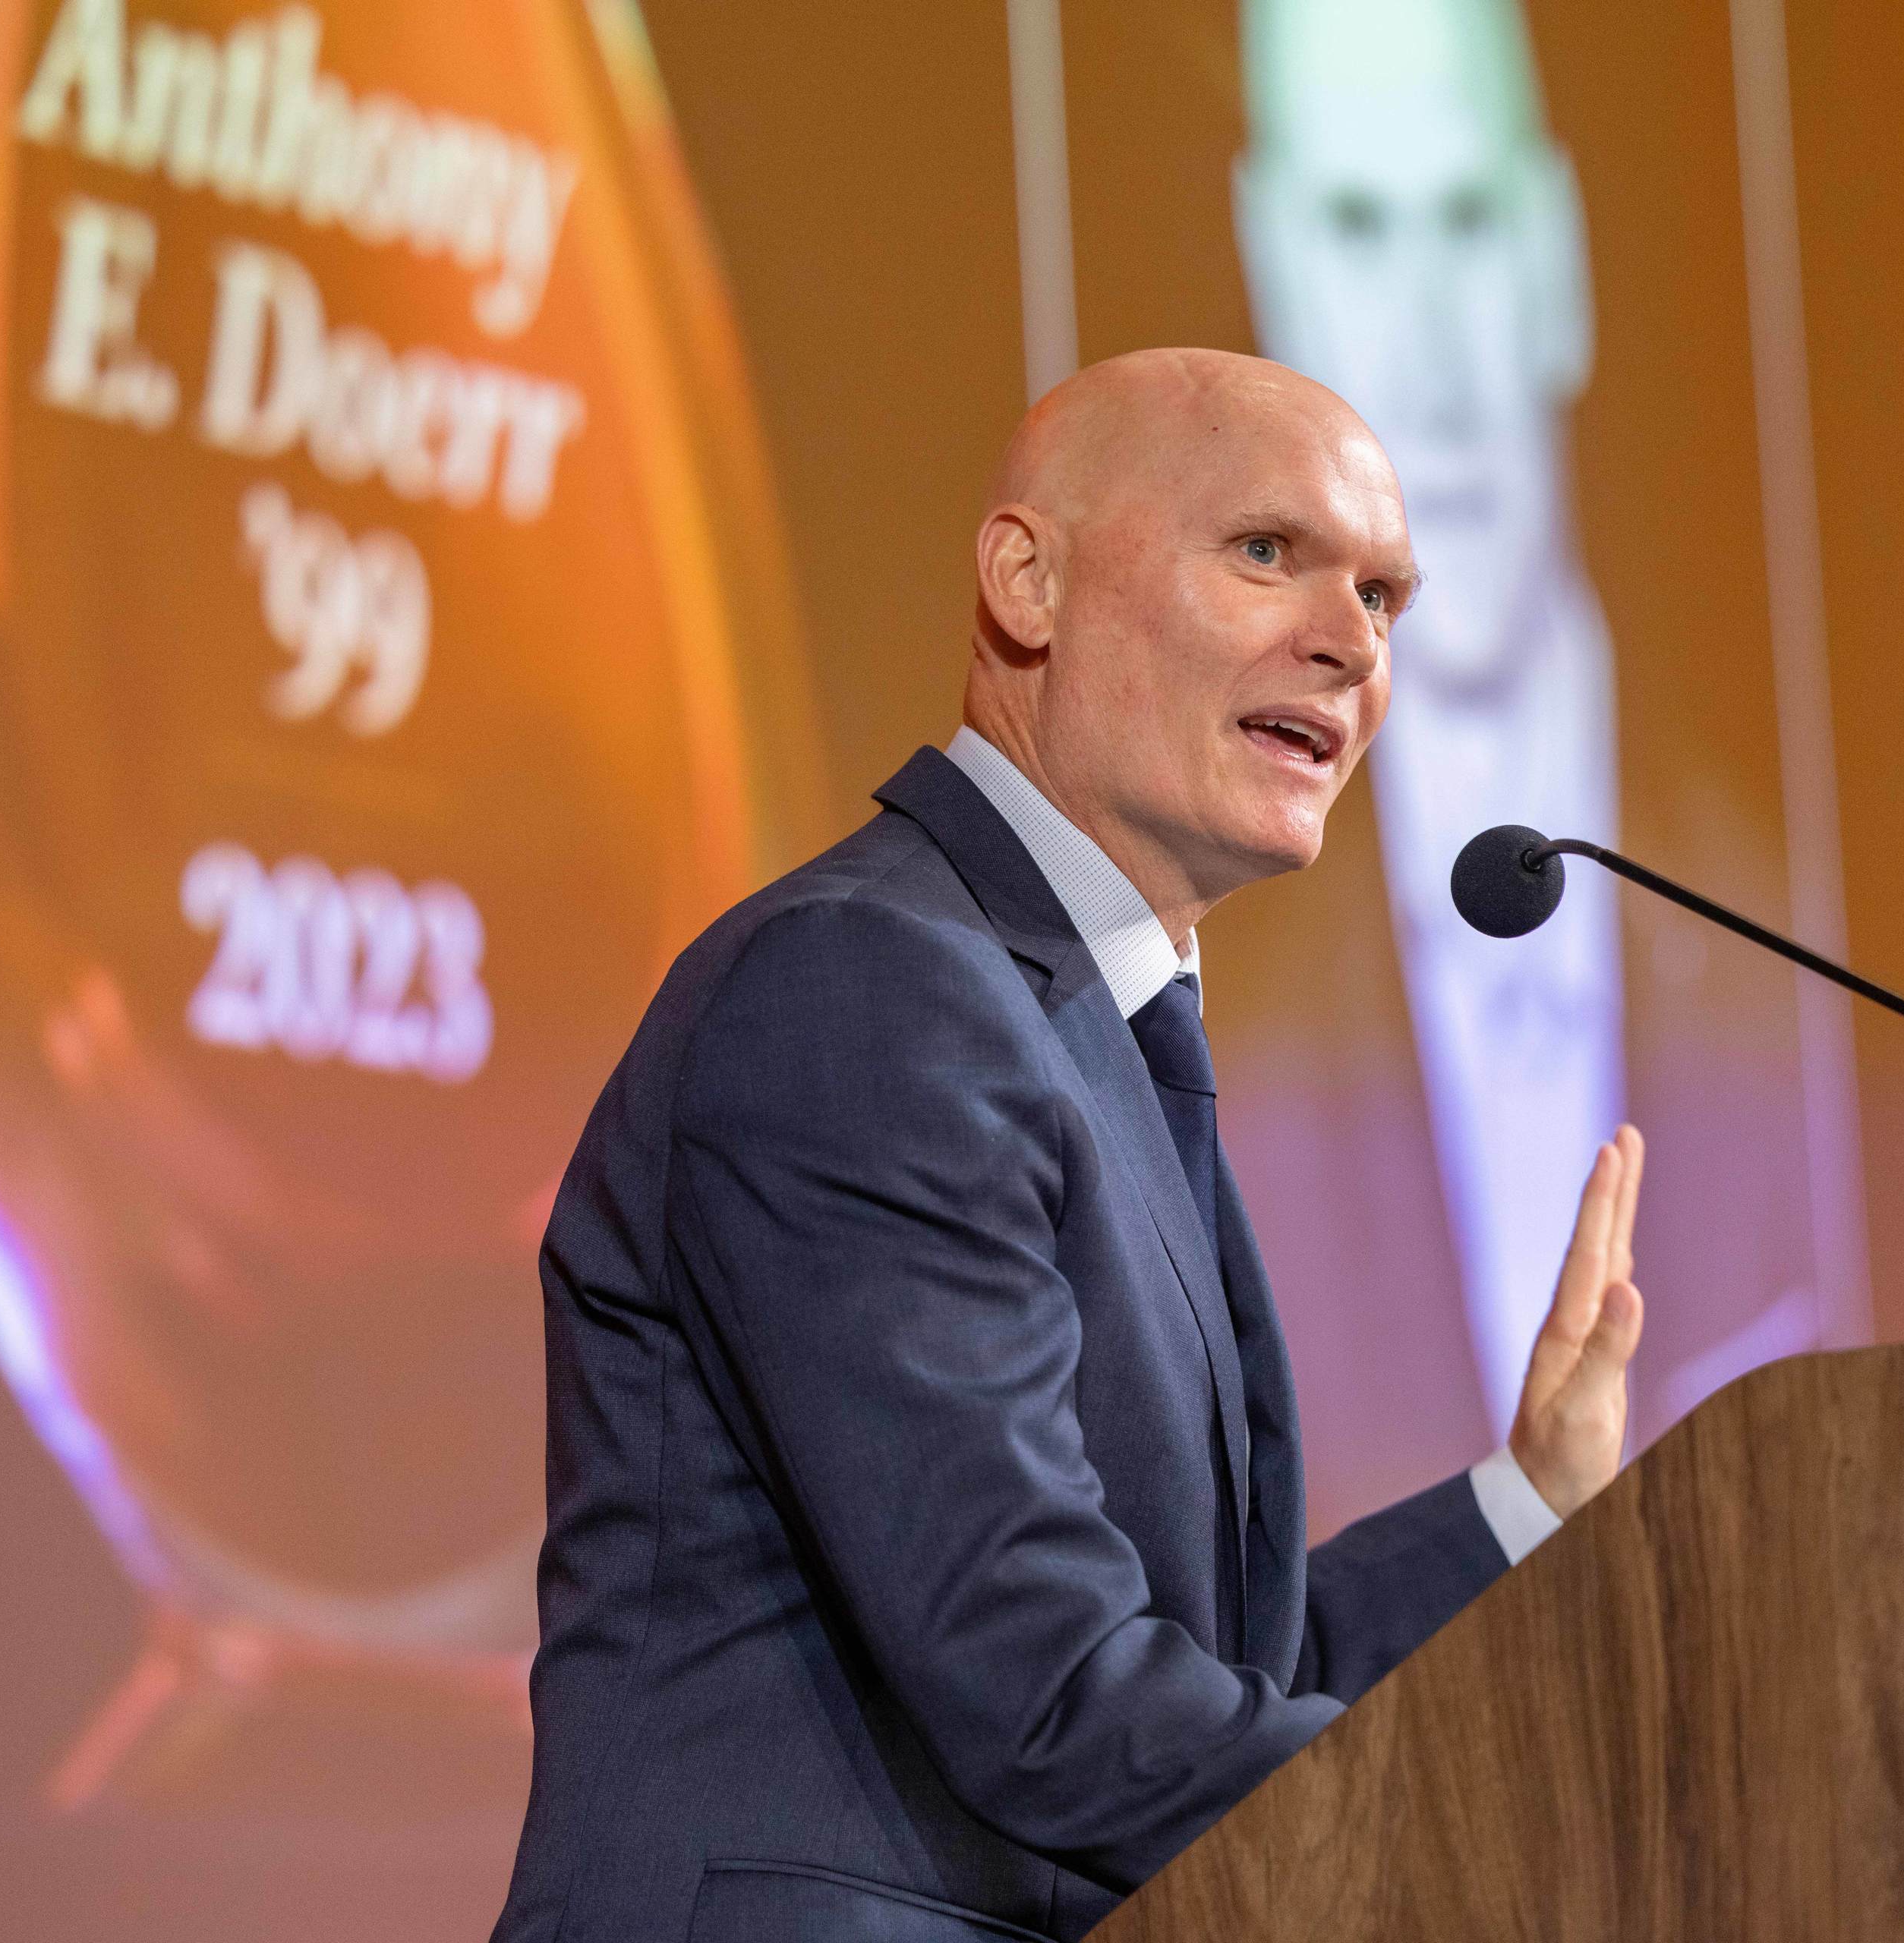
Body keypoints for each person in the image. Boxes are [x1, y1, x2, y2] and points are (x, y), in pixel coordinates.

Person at [488, 349, 1646, 1943]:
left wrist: (1525, 1502)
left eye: (1383, 594)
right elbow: (1042, 1675)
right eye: (1267, 552)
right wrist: (1562, 1844)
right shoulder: (867, 987)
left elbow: (1208, 1680)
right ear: (1027, 583)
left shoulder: (1079, 1023)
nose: (1353, 641)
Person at [1236, 0, 1625, 1434]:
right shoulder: (1215, 1020)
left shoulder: (1790, 923)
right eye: (1356, 231)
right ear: (1277, 270)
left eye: (1465, 223)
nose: (1429, 352)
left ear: (1553, 255)